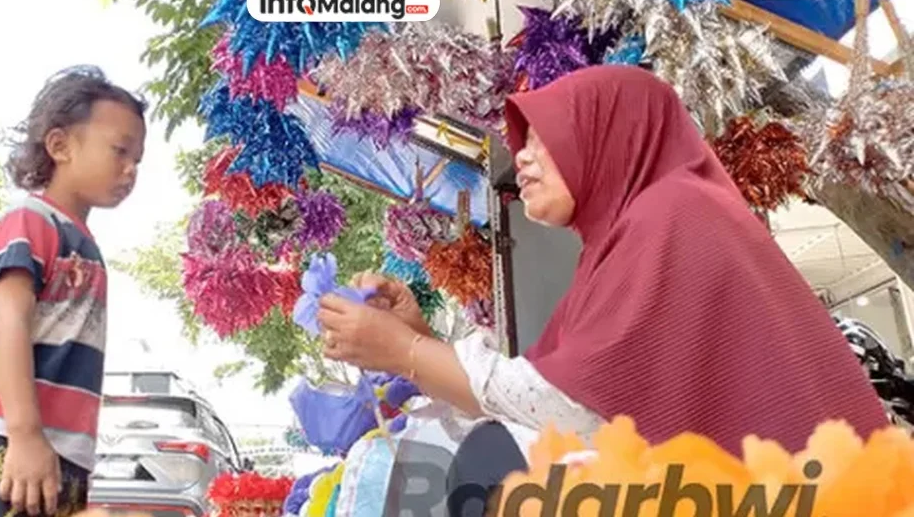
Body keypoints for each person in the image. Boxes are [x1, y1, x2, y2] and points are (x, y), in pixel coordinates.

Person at [317, 65, 889, 513]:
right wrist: (415, 340)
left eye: (544, 137)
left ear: (609, 134)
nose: (522, 157)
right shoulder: (619, 246)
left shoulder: (672, 214)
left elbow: (572, 405)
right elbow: (545, 405)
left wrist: (408, 352)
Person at [0, 66, 146, 517]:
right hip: (3, 433)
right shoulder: (30, 219)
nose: (130, 169)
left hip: (58, 446)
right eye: (120, 150)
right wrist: (24, 434)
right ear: (59, 145)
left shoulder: (83, 242)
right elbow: (8, 321)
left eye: (138, 159)